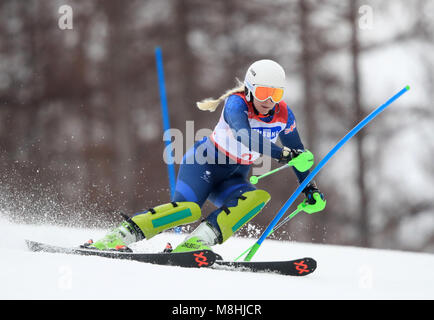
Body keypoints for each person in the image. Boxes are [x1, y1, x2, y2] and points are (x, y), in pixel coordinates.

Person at [84, 59, 326, 252]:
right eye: (263, 92)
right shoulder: (236, 104)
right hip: (203, 164)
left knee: (257, 198)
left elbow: (299, 154)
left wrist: (310, 189)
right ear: (251, 90)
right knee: (188, 210)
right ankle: (121, 234)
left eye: (276, 94)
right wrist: (281, 153)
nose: (269, 101)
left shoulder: (284, 114)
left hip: (233, 177)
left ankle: (197, 242)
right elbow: (244, 135)